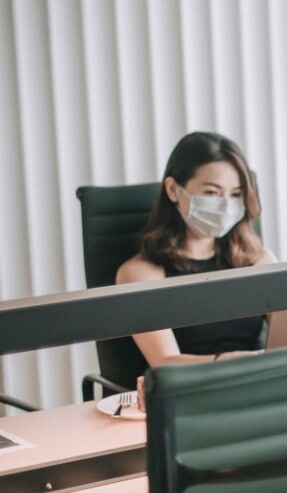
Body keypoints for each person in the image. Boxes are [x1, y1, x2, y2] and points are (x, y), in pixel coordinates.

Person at [116, 131, 277, 366]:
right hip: (194, 393)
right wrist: (232, 362)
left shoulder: (259, 260)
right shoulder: (140, 274)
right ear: (173, 190)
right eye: (212, 192)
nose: (225, 205)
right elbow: (164, 362)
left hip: (264, 382)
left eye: (235, 195)